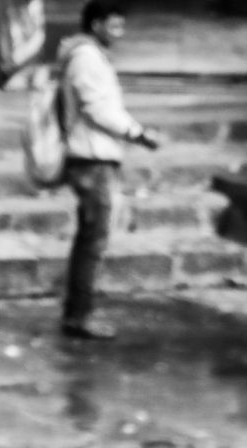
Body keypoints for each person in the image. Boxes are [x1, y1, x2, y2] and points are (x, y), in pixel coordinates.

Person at [59, 0, 164, 340]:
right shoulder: (86, 58)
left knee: (89, 238)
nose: (120, 33)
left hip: (94, 156)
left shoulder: (90, 56)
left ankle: (76, 313)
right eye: (114, 26)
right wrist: (138, 133)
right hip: (91, 158)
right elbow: (97, 109)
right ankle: (79, 316)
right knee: (94, 241)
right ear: (97, 25)